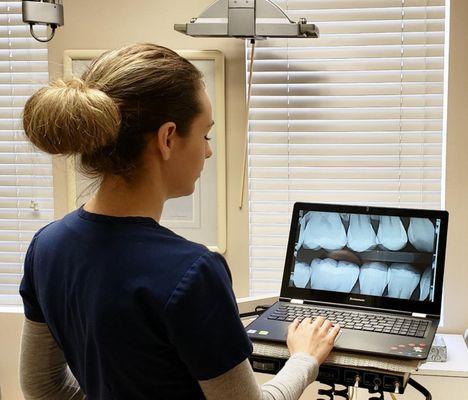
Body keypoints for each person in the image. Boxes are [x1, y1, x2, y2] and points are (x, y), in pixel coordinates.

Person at [18, 43, 340, 400]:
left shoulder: (46, 247)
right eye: (205, 134)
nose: (208, 150)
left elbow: (43, 386)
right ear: (167, 138)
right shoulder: (192, 272)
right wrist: (305, 359)